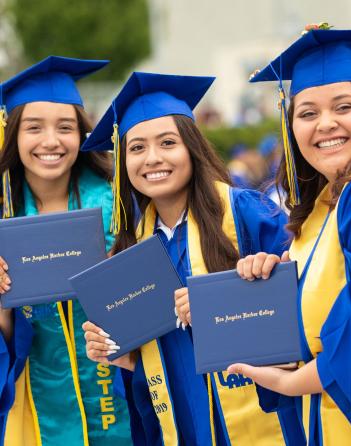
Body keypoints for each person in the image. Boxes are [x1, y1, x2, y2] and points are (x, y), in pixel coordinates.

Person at [81, 72, 305, 445]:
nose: (152, 158)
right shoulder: (130, 253)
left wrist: (227, 303)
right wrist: (122, 358)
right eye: (136, 148)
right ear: (123, 162)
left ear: (192, 148)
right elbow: (152, 379)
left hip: (264, 423)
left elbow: (305, 306)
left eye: (167, 142)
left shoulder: (245, 214)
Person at [228, 26, 351, 445]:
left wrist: (289, 383)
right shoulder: (321, 206)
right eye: (307, 113)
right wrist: (278, 280)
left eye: (343, 106)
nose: (325, 124)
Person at [0, 56, 132, 446]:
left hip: (126, 400)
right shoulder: (3, 217)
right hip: (36, 412)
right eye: (34, 128)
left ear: (82, 134)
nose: (51, 141)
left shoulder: (123, 206)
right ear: (12, 135)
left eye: (66, 127)